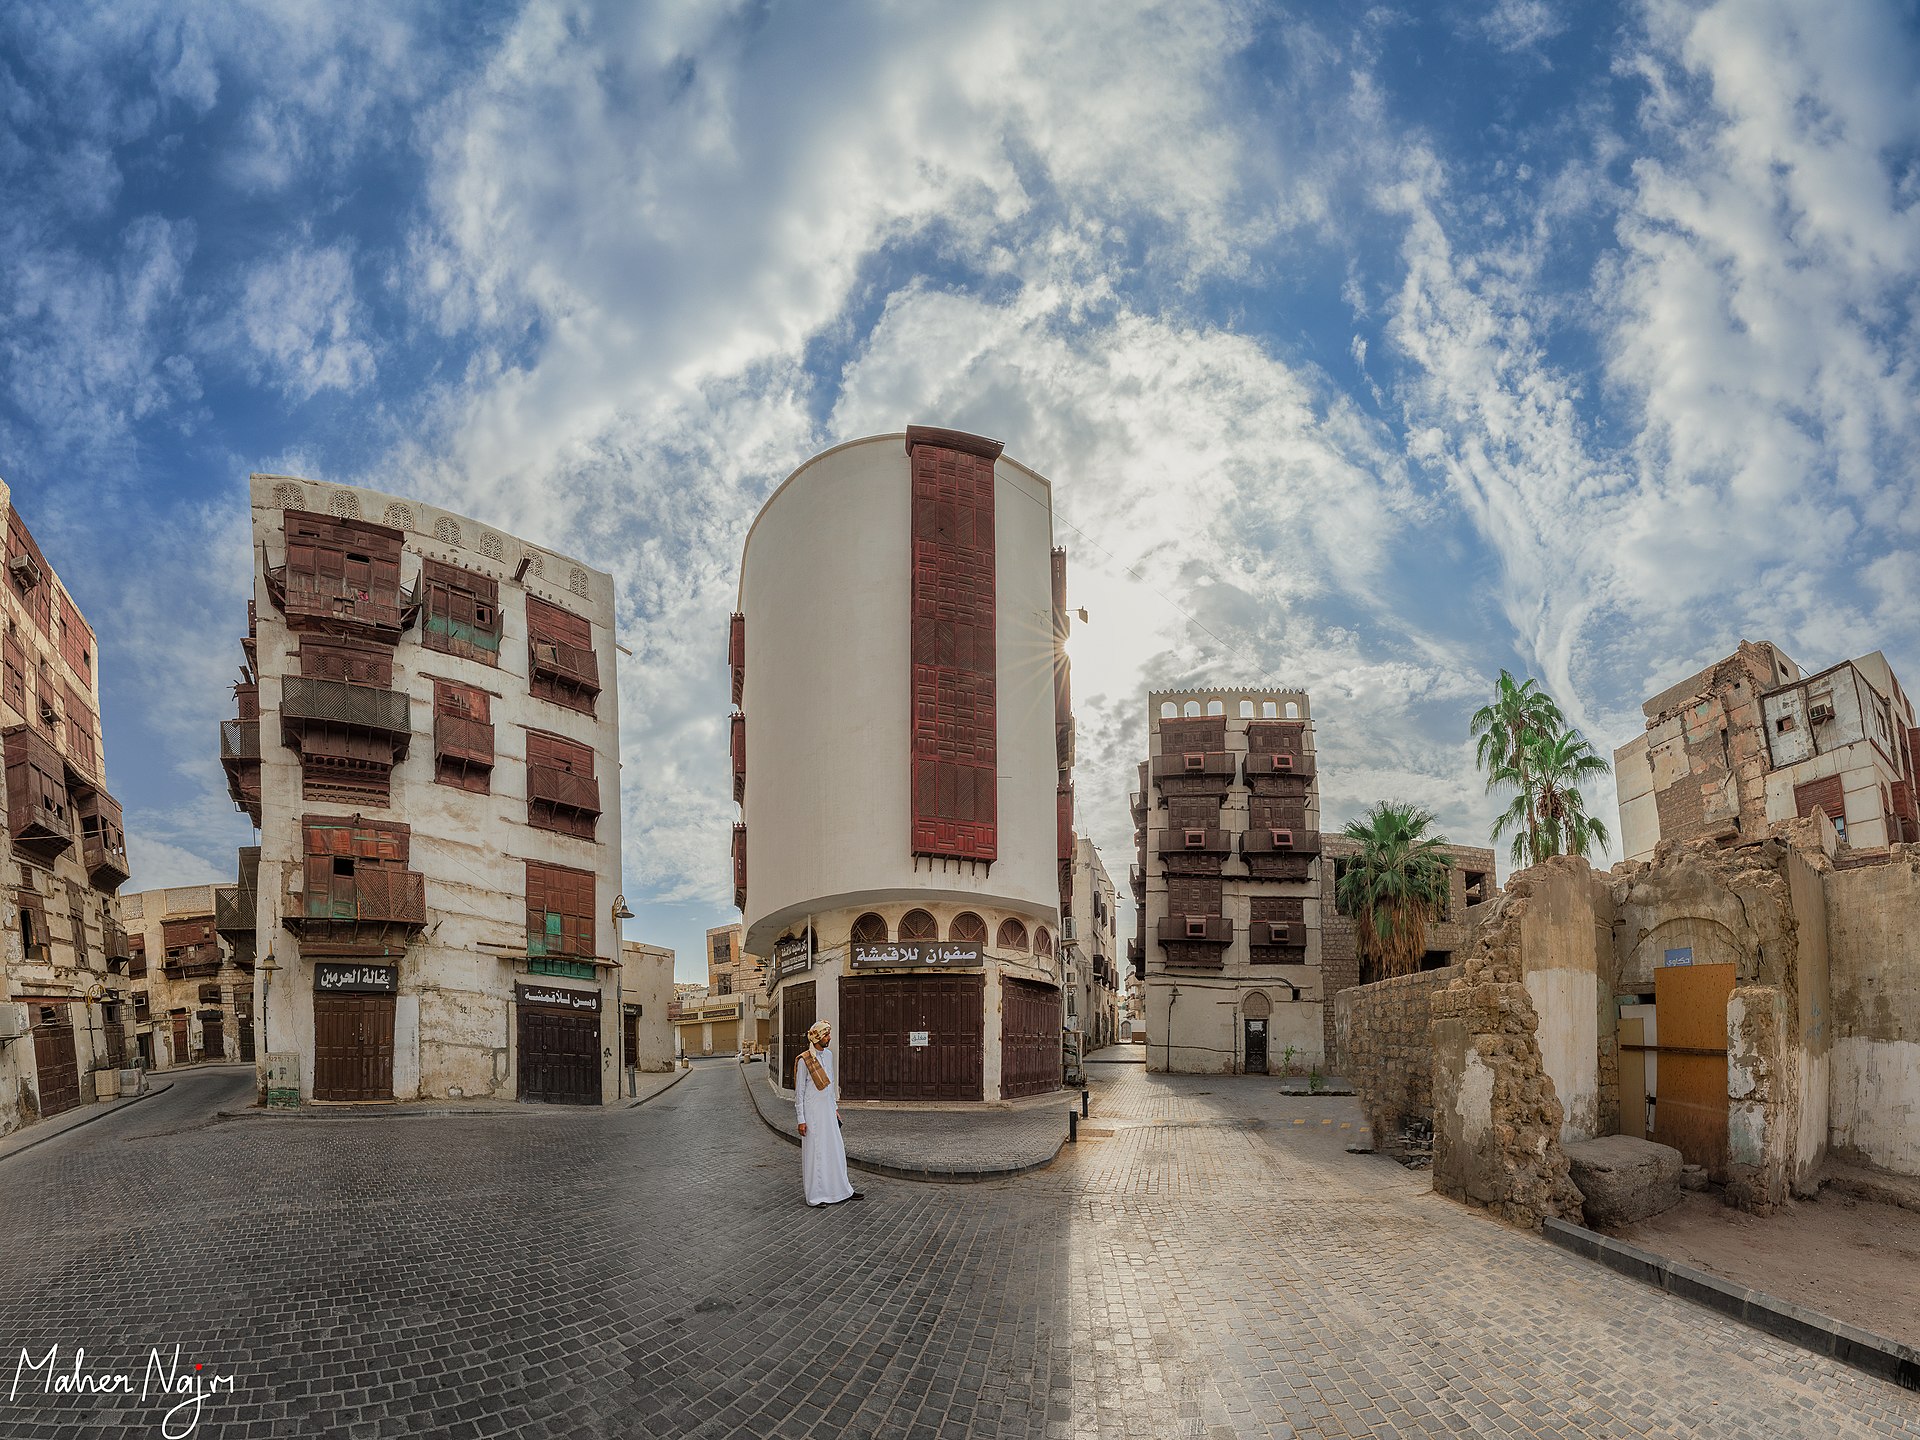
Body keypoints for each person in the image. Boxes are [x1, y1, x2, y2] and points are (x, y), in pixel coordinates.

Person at [795, 1019, 861, 1206]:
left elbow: (830, 1084)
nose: (829, 1038)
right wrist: (801, 1119)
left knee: (835, 1150)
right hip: (812, 1113)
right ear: (817, 1037)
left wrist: (835, 1109)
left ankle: (842, 1190)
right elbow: (799, 1092)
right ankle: (815, 1196)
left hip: (828, 1111)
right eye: (826, 1035)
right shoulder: (804, 1060)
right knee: (816, 1153)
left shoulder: (829, 1055)